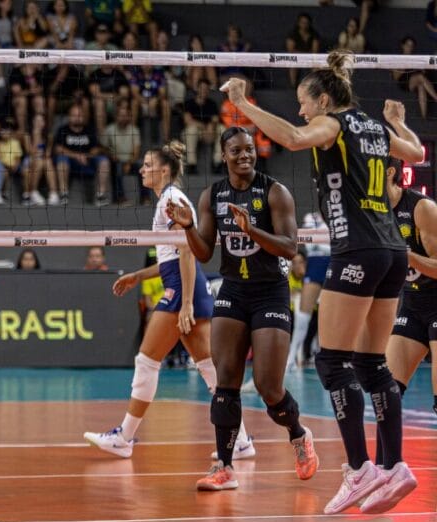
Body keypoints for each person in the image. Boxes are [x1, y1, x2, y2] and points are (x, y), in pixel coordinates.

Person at [220, 49, 424, 514]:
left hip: (358, 249)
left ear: (325, 100)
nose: (301, 111)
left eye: (304, 102)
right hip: (393, 251)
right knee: (371, 363)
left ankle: (358, 469)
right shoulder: (375, 128)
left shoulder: (333, 125)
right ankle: (394, 466)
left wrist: (243, 104)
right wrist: (398, 122)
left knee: (331, 361)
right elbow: (416, 152)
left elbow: (294, 138)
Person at [166, 127, 318, 491]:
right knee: (226, 383)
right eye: (236, 151)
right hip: (233, 291)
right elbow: (204, 252)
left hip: (270, 293)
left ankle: (298, 434)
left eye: (249, 149)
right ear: (224, 155)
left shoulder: (275, 192)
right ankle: (225, 467)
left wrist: (252, 231)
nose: (245, 155)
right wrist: (189, 227)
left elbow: (290, 247)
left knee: (268, 386)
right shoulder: (213, 195)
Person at [83, 141, 254, 460]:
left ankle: (124, 437)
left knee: (147, 361)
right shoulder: (168, 199)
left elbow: (187, 251)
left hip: (182, 288)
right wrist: (139, 276)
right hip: (186, 283)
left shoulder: (172, 200)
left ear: (164, 170)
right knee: (209, 368)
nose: (141, 170)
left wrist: (186, 303)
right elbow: (171, 257)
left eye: (148, 165)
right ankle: (241, 440)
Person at [363, 157, 436, 512]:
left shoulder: (422, 209)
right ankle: (385, 472)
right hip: (413, 307)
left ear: (389, 173)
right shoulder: (373, 213)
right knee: (385, 391)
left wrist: (406, 256)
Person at [289, 210, 329, 370]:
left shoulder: (341, 211)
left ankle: (333, 358)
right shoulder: (310, 217)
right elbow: (311, 244)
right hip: (316, 263)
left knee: (332, 316)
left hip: (335, 261)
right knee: (302, 317)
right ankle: (291, 358)